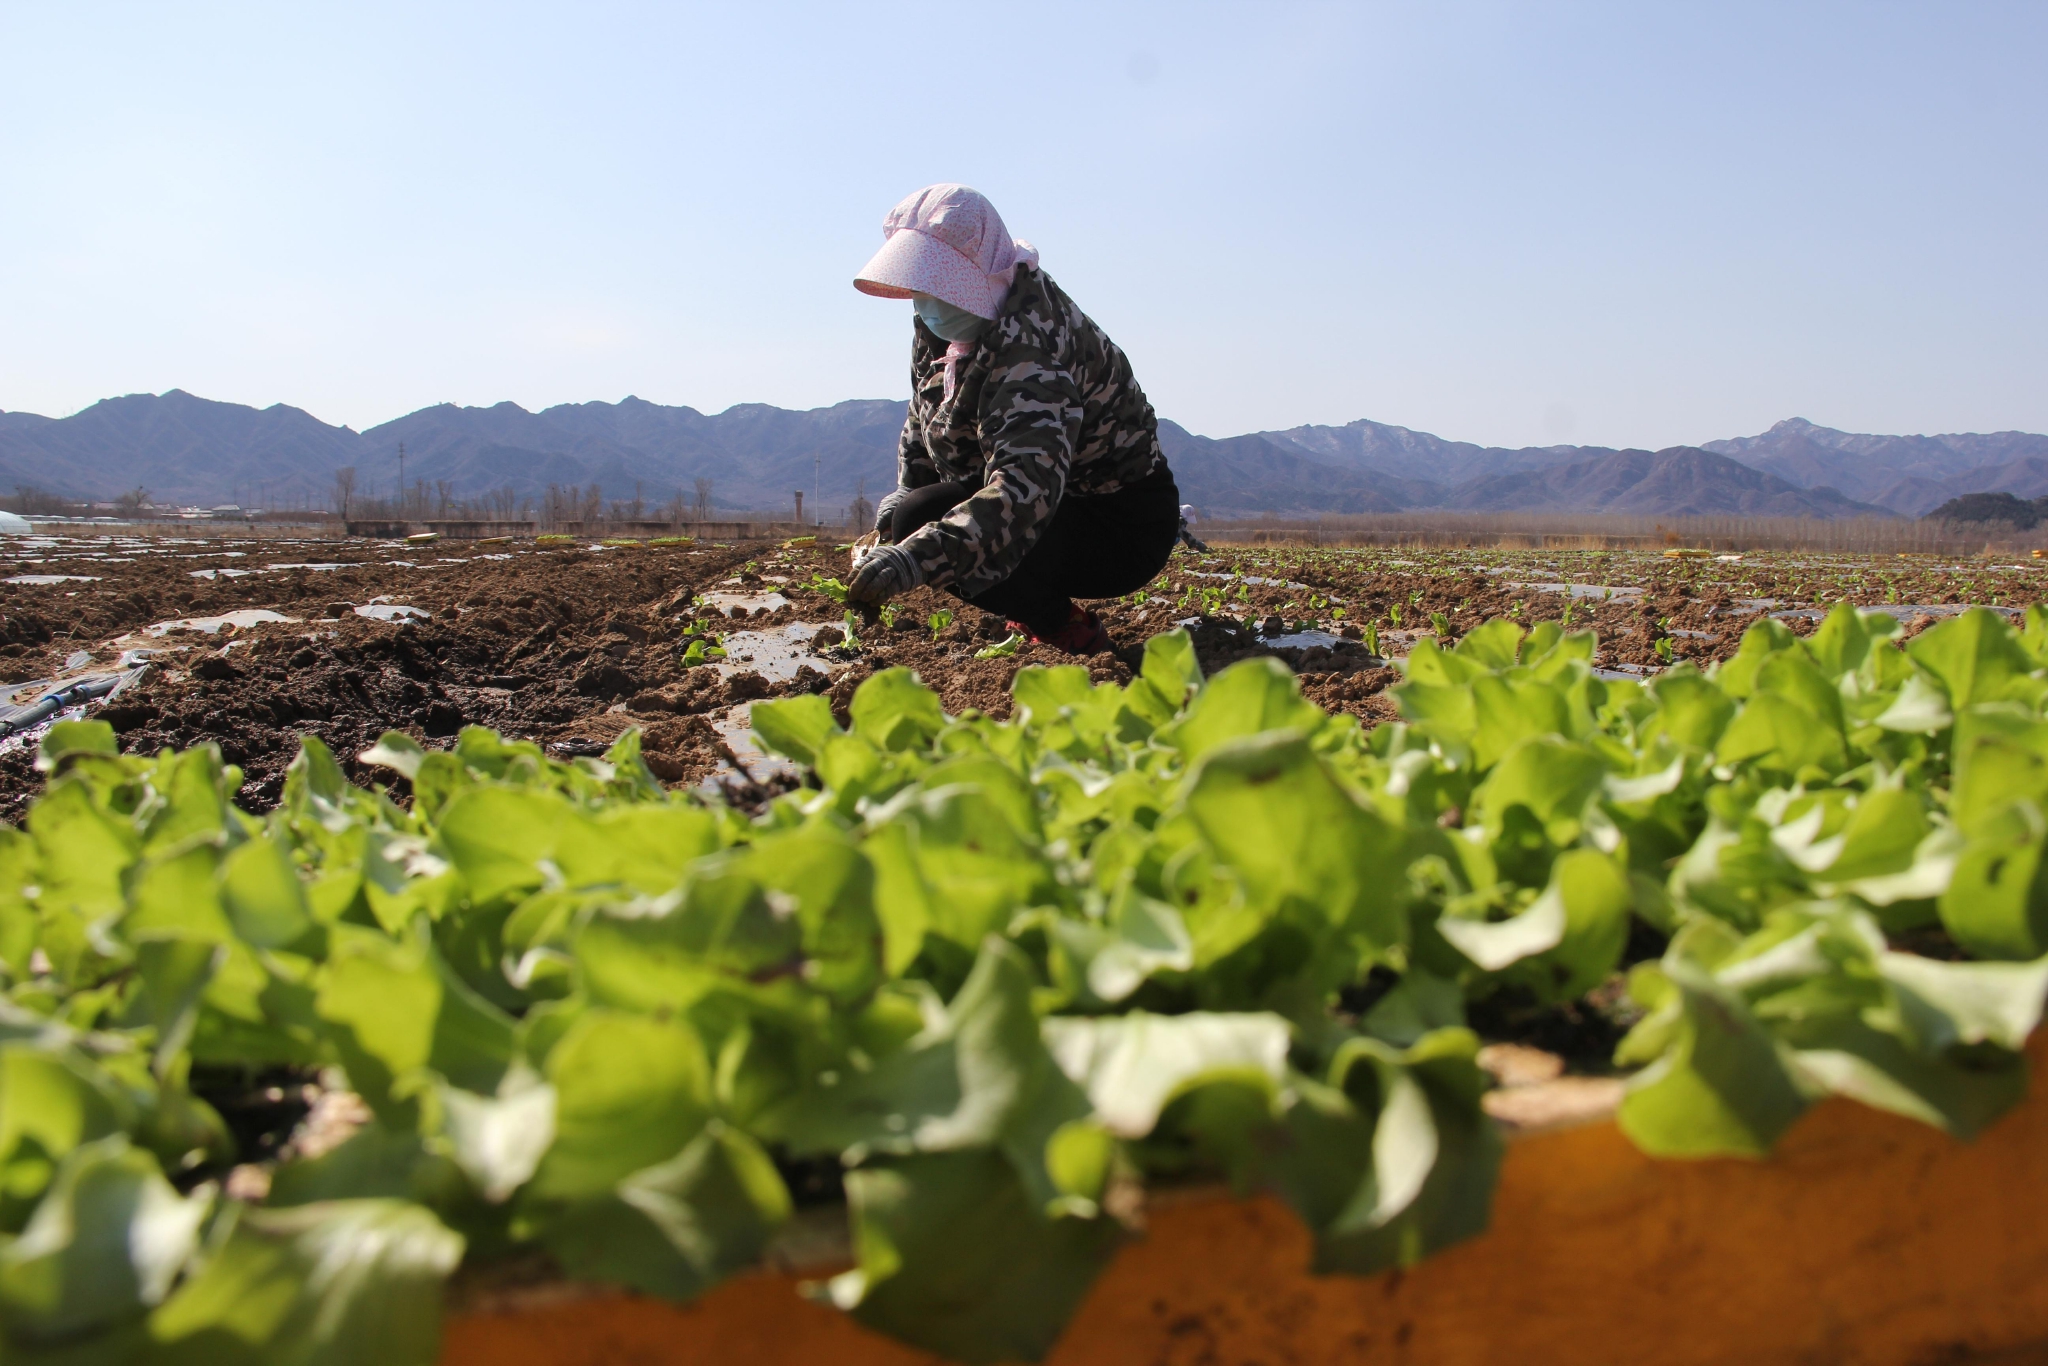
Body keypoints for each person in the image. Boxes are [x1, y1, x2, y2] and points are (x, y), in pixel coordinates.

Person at [845, 183, 1181, 655]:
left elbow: (1025, 490)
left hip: (1117, 522)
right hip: (1055, 503)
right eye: (921, 287)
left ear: (976, 277)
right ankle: (1036, 605)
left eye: (936, 286)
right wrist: (908, 481)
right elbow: (925, 411)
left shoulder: (1030, 350)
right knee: (913, 510)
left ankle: (1060, 622)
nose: (924, 303)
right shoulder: (944, 324)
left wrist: (915, 558)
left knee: (921, 525)